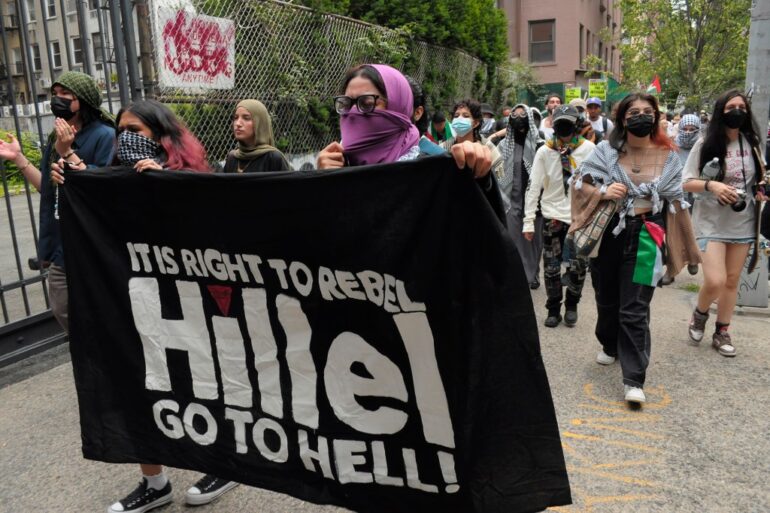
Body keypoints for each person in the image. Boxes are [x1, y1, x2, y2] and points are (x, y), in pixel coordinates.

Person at [53, 100, 238, 513]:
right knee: (139, 382)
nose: (126, 139)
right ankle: (155, 483)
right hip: (139, 302)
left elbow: (216, 229)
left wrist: (169, 184)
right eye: (121, 131)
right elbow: (96, 213)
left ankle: (222, 462)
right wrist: (73, 173)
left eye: (136, 130)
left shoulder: (191, 176)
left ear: (161, 135)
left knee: (201, 382)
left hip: (189, 301)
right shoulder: (120, 177)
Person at [572, 92, 698, 404]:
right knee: (606, 301)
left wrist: (687, 248)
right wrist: (603, 190)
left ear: (655, 117)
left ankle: (633, 378)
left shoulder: (669, 157)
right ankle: (610, 344)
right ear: (622, 119)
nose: (641, 116)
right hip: (609, 235)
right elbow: (580, 182)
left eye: (647, 111)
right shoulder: (605, 150)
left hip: (647, 235)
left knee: (635, 309)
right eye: (633, 112)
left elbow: (677, 199)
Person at [0, 71, 116, 330]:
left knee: (99, 315)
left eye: (66, 95)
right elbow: (49, 188)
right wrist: (19, 159)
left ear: (83, 101)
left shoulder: (104, 136)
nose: (57, 100)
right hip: (62, 240)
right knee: (63, 309)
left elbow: (103, 189)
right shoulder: (55, 138)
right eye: (55, 94)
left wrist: (68, 153)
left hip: (91, 240)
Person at [683, 89, 768, 357]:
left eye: (742, 107)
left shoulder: (751, 143)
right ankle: (700, 314)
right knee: (716, 280)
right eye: (731, 106)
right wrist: (713, 186)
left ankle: (722, 331)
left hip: (742, 222)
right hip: (710, 221)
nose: (737, 111)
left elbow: (760, 178)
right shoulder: (705, 143)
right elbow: (686, 182)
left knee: (731, 281)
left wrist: (761, 187)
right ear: (721, 111)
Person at [317, 64, 493, 184]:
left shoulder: (432, 165)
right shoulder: (338, 161)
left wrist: (479, 176)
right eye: (347, 104)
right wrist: (323, 180)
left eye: (367, 103)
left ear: (399, 107)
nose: (353, 113)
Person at [523, 105, 595, 327]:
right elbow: (534, 185)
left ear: (577, 123)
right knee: (552, 267)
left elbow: (598, 183)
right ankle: (553, 308)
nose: (563, 126)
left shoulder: (590, 149)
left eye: (568, 121)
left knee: (578, 266)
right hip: (552, 215)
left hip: (579, 218)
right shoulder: (544, 151)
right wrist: (528, 221)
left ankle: (572, 305)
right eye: (559, 121)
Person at [498, 104, 545, 289]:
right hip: (512, 199)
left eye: (522, 115)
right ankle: (519, 275)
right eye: (514, 115)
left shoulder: (540, 145)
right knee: (514, 239)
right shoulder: (504, 145)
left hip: (535, 201)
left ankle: (533, 273)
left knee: (534, 241)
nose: (518, 118)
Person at [439, 99, 505, 180]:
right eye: (456, 116)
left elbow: (500, 177)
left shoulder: (487, 147)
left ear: (475, 123)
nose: (459, 119)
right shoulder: (443, 147)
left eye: (466, 116)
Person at [223, 99, 291, 173]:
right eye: (236, 118)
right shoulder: (232, 158)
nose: (238, 124)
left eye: (246, 118)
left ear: (260, 123)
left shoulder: (273, 158)